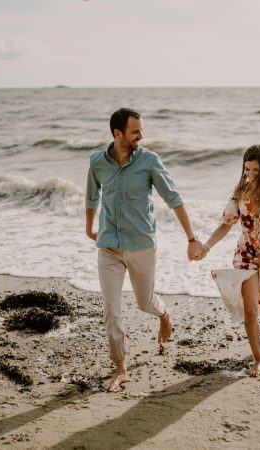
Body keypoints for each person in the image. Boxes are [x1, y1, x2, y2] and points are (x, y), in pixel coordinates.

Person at [85, 107, 202, 392]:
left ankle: (164, 314)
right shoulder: (97, 162)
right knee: (111, 311)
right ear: (118, 133)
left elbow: (174, 199)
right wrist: (90, 228)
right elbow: (91, 197)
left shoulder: (149, 161)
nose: (141, 135)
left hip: (141, 246)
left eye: (141, 130)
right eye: (135, 131)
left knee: (144, 302)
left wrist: (191, 239)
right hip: (109, 248)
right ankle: (121, 368)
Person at [193, 144, 260, 377]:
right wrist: (207, 246)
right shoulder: (240, 192)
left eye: (255, 171)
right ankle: (258, 358)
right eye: (247, 170)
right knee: (251, 311)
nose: (250, 175)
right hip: (246, 256)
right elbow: (226, 224)